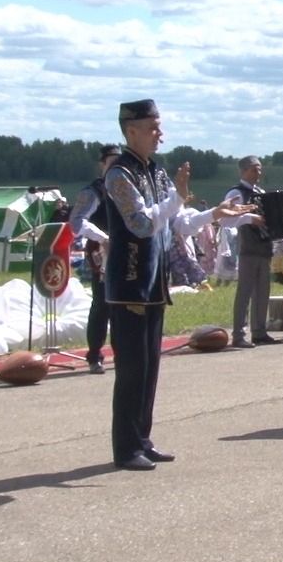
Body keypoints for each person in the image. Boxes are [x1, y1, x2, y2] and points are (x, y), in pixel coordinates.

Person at [104, 99, 250, 470]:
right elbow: (140, 224)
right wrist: (176, 198)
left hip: (153, 284)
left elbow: (177, 223)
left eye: (159, 127)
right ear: (131, 130)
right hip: (129, 283)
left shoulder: (156, 172)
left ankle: (142, 438)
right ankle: (125, 448)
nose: (160, 135)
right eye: (153, 128)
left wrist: (214, 213)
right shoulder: (119, 174)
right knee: (132, 369)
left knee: (150, 366)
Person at [68, 144, 122, 374]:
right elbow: (77, 221)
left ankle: (123, 353)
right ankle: (94, 355)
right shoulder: (94, 191)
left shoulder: (127, 189)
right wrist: (103, 237)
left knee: (125, 305)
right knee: (102, 304)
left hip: (127, 249)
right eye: (111, 161)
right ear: (102, 164)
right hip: (102, 250)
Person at [223, 156, 273, 348]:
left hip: (264, 248)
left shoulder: (260, 192)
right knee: (244, 292)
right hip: (248, 247)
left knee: (263, 292)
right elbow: (226, 220)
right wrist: (249, 218)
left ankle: (259, 331)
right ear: (243, 171)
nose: (258, 173)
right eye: (254, 169)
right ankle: (238, 334)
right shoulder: (236, 192)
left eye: (259, 169)